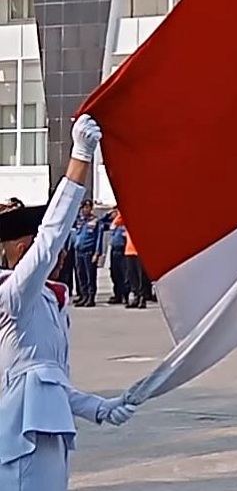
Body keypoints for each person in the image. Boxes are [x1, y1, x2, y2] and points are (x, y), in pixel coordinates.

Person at [0, 115, 139, 489]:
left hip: (47, 433)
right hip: (16, 437)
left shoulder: (48, 301)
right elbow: (51, 236)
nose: (59, 254)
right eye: (44, 248)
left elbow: (50, 382)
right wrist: (80, 158)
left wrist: (98, 408)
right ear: (20, 249)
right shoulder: (11, 297)